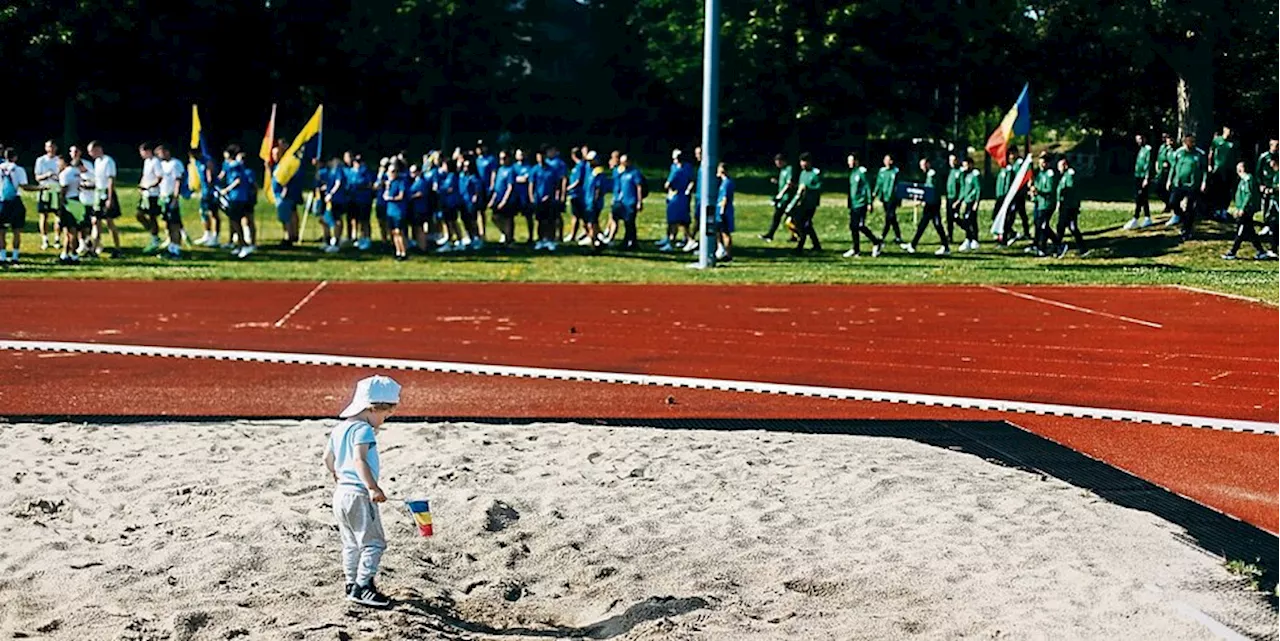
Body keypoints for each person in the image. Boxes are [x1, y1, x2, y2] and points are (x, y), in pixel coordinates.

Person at [323, 375, 402, 609]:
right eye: (385, 415)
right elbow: (359, 460)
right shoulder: (364, 430)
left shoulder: (339, 429)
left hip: (341, 495)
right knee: (374, 543)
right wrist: (372, 487)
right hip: (359, 494)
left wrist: (335, 474)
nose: (383, 421)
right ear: (373, 408)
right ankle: (363, 586)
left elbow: (327, 459)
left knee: (350, 542)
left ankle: (351, 583)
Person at [1223, 161, 1275, 260]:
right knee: (1250, 232)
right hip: (1243, 209)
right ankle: (1261, 251)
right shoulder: (1243, 180)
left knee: (1241, 231)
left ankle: (1232, 252)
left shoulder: (1248, 179)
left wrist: (1242, 208)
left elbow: (1248, 195)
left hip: (1247, 210)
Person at [0, 148, 42, 265]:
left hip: (2, 201)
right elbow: (24, 186)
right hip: (15, 201)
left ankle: (2, 256)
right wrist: (40, 188)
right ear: (15, 157)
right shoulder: (18, 169)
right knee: (16, 230)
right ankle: (15, 256)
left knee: (1, 232)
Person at [904, 157, 949, 255]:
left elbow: (931, 190)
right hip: (931, 202)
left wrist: (922, 200)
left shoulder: (932, 175)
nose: (922, 167)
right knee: (924, 224)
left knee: (936, 224)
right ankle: (913, 244)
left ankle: (945, 247)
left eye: (923, 165)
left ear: (928, 164)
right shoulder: (929, 174)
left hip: (933, 203)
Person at [1165, 134, 1207, 240]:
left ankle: (1187, 230)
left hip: (1193, 184)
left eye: (1191, 142)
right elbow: (1173, 167)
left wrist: (1203, 182)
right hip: (1178, 183)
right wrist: (1169, 180)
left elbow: (1204, 170)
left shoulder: (1199, 154)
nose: (1189, 145)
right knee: (1172, 202)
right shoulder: (1179, 153)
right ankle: (1181, 216)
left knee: (1190, 207)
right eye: (1187, 143)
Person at [220, 146, 258, 259]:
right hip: (234, 197)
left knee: (237, 221)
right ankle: (240, 244)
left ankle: (244, 244)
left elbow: (238, 180)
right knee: (234, 221)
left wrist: (226, 189)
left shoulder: (236, 166)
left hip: (238, 197)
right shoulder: (230, 165)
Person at [88, 141, 123, 258]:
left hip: (106, 193)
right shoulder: (97, 162)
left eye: (91, 151)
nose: (90, 154)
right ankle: (93, 249)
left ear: (98, 149)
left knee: (109, 222)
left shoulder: (108, 161)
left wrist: (109, 197)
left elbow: (110, 180)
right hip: (98, 193)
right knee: (95, 221)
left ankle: (117, 248)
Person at [843, 152, 883, 258]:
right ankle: (856, 249)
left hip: (861, 203)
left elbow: (867, 187)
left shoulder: (862, 172)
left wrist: (869, 202)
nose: (849, 163)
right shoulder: (852, 173)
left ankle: (876, 242)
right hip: (854, 204)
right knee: (853, 226)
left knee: (860, 225)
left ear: (856, 161)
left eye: (850, 160)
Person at [786, 153, 823, 253]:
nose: (802, 164)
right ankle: (816, 245)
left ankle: (800, 247)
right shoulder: (803, 173)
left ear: (809, 162)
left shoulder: (815, 173)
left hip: (811, 203)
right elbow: (800, 187)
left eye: (804, 162)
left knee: (806, 225)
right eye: (801, 162)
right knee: (806, 225)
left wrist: (809, 188)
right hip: (802, 203)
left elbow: (819, 187)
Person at [155, 145, 186, 259]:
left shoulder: (175, 164)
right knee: (167, 223)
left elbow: (178, 181)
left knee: (174, 224)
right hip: (163, 197)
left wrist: (175, 198)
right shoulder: (162, 165)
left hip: (171, 196)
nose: (159, 156)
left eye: (161, 153)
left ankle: (176, 249)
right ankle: (171, 246)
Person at [660, 149, 695, 252]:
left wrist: (687, 190)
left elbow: (691, 180)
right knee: (672, 219)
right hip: (675, 196)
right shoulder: (674, 167)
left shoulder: (684, 168)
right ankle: (670, 239)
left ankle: (677, 241)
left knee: (678, 220)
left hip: (680, 196)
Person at [55, 154, 87, 264]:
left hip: (69, 203)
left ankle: (73, 255)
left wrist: (60, 205)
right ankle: (65, 254)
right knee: (71, 231)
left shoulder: (65, 174)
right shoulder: (77, 171)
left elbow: (64, 189)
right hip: (77, 201)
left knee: (70, 231)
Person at [1053, 156, 1087, 258]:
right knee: (1070, 228)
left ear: (1065, 165)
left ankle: (1058, 248)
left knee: (1062, 227)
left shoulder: (1070, 175)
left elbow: (1070, 189)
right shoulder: (1064, 176)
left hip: (1069, 206)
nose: (1058, 168)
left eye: (1060, 166)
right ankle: (1082, 248)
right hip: (1066, 206)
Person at [1028, 152, 1061, 256]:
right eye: (1040, 162)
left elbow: (1050, 190)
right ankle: (1039, 245)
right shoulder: (1040, 174)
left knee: (1043, 225)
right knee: (1038, 224)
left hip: (1047, 204)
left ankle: (1055, 243)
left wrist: (1038, 190)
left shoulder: (1050, 174)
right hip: (1040, 203)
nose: (1042, 165)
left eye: (1044, 163)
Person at [996, 149, 1030, 245]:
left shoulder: (1019, 163)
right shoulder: (1009, 166)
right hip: (1012, 194)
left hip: (1018, 193)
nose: (1011, 156)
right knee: (1015, 213)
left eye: (1012, 153)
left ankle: (1012, 233)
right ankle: (1008, 233)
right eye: (1010, 154)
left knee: (1017, 213)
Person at [760, 153, 797, 243]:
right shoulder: (782, 170)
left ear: (783, 161)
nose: (777, 164)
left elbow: (789, 184)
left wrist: (780, 195)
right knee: (787, 217)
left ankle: (771, 235)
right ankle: (793, 236)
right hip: (782, 198)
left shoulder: (789, 169)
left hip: (787, 198)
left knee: (783, 217)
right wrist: (776, 182)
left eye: (779, 162)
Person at [612, 154, 644, 250]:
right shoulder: (622, 172)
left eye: (624, 162)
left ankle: (632, 241)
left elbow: (639, 187)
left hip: (631, 201)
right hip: (622, 201)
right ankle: (627, 241)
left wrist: (639, 201)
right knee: (626, 222)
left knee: (630, 222)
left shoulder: (635, 173)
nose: (622, 164)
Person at [531, 150, 560, 251]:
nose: (540, 159)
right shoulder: (534, 169)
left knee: (550, 221)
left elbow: (556, 184)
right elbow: (531, 185)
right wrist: (532, 198)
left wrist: (554, 196)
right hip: (538, 200)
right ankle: (541, 240)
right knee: (540, 221)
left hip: (550, 199)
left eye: (542, 156)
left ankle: (550, 240)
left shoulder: (552, 170)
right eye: (538, 156)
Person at [270, 145, 300, 247]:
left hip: (284, 196)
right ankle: (289, 235)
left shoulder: (284, 165)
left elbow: (287, 178)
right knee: (285, 217)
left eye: (277, 154)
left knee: (286, 217)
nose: (275, 156)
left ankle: (289, 237)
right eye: (273, 154)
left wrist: (284, 191)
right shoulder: (275, 166)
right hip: (278, 195)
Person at [137, 143, 164, 254]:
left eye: (142, 152)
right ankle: (153, 233)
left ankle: (155, 238)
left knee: (152, 216)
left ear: (148, 151)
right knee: (139, 214)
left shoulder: (155, 162)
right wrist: (141, 184)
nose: (141, 155)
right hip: (145, 194)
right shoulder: (146, 162)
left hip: (153, 194)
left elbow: (159, 177)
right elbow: (145, 175)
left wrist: (150, 186)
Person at [34, 140, 60, 250]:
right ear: (46, 148)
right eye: (49, 147)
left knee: (58, 215)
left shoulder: (59, 160)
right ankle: (45, 239)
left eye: (53, 147)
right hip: (44, 189)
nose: (51, 149)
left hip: (56, 189)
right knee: (43, 215)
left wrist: (55, 176)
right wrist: (46, 175)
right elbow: (37, 177)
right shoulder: (41, 160)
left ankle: (57, 238)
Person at [1126, 133, 1155, 230]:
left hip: (1143, 177)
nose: (1139, 141)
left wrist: (1146, 178)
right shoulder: (1140, 149)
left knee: (1141, 196)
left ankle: (1136, 217)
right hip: (1137, 176)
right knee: (1142, 198)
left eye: (1140, 139)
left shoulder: (1148, 149)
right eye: (1137, 139)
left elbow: (1148, 164)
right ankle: (1147, 217)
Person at [490, 151, 519, 249]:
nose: (502, 160)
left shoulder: (511, 170)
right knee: (495, 217)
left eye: (504, 158)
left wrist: (504, 201)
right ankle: (506, 234)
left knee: (508, 219)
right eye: (500, 158)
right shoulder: (500, 170)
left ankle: (509, 239)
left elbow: (510, 187)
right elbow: (497, 186)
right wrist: (493, 199)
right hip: (498, 197)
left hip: (508, 200)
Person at [1208, 126, 1236, 220]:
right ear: (1224, 129)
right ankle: (1216, 210)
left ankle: (1224, 210)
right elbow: (1211, 153)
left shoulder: (1233, 142)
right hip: (1217, 169)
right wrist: (1210, 165)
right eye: (1229, 130)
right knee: (1216, 190)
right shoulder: (1217, 140)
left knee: (1227, 191)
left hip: (1229, 170)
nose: (1230, 132)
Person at [348, 155, 376, 251]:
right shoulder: (351, 172)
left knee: (364, 220)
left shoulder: (366, 172)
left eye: (359, 162)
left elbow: (369, 184)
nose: (357, 164)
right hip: (353, 199)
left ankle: (366, 238)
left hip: (364, 199)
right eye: (356, 161)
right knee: (354, 219)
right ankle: (355, 237)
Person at [873, 154, 902, 244]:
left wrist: (899, 198)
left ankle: (883, 235)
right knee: (892, 217)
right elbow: (879, 183)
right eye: (885, 160)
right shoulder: (882, 171)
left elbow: (898, 185)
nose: (886, 162)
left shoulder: (895, 172)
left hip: (892, 197)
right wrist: (875, 192)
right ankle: (898, 236)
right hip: (884, 197)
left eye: (888, 160)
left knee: (889, 216)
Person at [383, 164, 409, 261]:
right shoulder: (389, 184)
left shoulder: (400, 182)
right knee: (393, 232)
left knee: (399, 232)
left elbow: (401, 196)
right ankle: (397, 251)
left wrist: (391, 198)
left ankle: (404, 251)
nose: (391, 174)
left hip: (398, 211)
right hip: (390, 210)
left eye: (393, 171)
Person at [582, 152, 607, 251]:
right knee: (592, 223)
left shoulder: (598, 171)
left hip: (593, 202)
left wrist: (595, 200)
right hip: (588, 200)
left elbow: (598, 188)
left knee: (591, 224)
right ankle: (598, 240)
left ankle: (593, 244)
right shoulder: (590, 170)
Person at [565, 147, 590, 245]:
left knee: (576, 216)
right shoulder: (580, 165)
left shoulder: (580, 166)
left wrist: (568, 188)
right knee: (580, 216)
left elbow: (578, 181)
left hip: (578, 194)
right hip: (577, 194)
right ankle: (586, 233)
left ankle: (573, 235)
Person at [459, 156, 483, 250]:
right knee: (465, 220)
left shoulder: (474, 177)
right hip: (463, 201)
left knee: (473, 220)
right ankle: (469, 236)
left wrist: (476, 197)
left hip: (470, 202)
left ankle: (477, 237)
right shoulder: (461, 175)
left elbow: (477, 189)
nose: (466, 168)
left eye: (467, 166)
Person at [474, 141, 497, 237]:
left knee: (495, 211)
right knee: (480, 211)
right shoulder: (476, 160)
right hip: (479, 188)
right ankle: (482, 233)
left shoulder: (491, 159)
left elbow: (493, 172)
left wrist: (492, 184)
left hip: (487, 187)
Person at [512, 148, 535, 244]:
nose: (520, 156)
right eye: (518, 154)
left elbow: (527, 179)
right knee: (511, 216)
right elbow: (512, 179)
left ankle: (531, 236)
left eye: (522, 154)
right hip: (515, 195)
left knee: (528, 216)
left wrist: (519, 178)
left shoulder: (529, 167)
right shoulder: (513, 167)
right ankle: (510, 236)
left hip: (525, 195)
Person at [715, 162, 735, 262]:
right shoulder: (722, 182)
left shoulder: (727, 183)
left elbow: (725, 198)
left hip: (724, 211)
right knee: (718, 231)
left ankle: (728, 253)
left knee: (725, 232)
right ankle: (720, 249)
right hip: (719, 210)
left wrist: (722, 211)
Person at [1155, 132, 1177, 214]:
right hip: (1160, 172)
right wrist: (1157, 166)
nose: (1168, 140)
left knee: (1167, 190)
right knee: (1158, 189)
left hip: (1167, 173)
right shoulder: (1162, 147)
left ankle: (1170, 206)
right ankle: (1168, 204)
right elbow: (1158, 157)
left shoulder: (1172, 151)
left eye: (1170, 139)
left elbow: (1173, 164)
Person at [945, 153, 963, 243]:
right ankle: (949, 235)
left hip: (956, 198)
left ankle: (967, 229)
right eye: (950, 160)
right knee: (949, 218)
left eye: (953, 160)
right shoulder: (950, 171)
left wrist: (959, 200)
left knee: (955, 217)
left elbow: (962, 186)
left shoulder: (960, 171)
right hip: (949, 197)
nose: (952, 162)